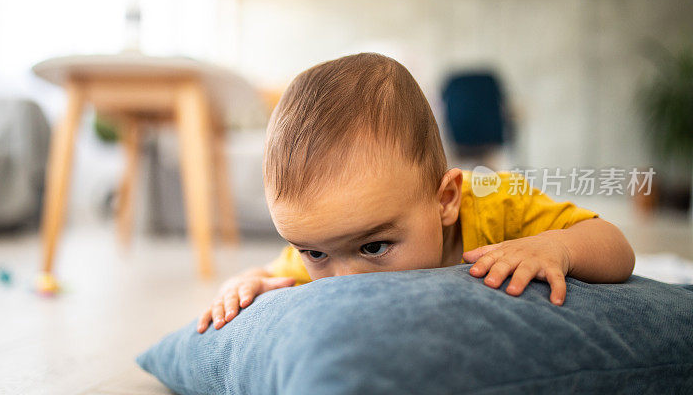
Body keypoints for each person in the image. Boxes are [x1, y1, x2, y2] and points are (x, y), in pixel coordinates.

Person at [197, 53, 634, 333]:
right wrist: (243, 283)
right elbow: (271, 273)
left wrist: (555, 247)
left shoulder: (500, 206)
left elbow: (616, 247)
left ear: (445, 201)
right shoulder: (329, 249)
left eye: (374, 246)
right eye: (314, 254)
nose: (343, 283)